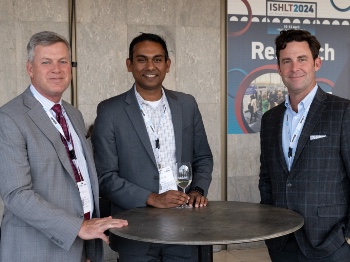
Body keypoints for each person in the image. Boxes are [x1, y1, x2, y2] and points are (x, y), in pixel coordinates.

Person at [0, 31, 128, 262]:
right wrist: (78, 227)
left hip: (80, 247)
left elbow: (81, 180)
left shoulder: (73, 114)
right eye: (46, 62)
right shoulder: (9, 118)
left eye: (63, 62)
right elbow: (16, 194)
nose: (56, 70)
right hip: (36, 250)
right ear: (30, 69)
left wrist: (87, 245)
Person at [92, 32, 213, 262]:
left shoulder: (187, 105)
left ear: (168, 65)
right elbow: (104, 177)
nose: (150, 66)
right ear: (129, 64)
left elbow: (203, 157)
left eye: (157, 59)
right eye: (141, 59)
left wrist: (197, 190)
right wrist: (152, 198)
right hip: (134, 229)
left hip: (184, 227)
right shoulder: (110, 111)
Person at [259, 29, 350, 261]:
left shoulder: (343, 111)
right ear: (279, 68)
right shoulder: (270, 119)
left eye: (302, 59)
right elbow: (267, 178)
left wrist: (346, 236)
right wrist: (269, 229)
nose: (294, 68)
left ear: (316, 63)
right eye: (286, 61)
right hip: (282, 243)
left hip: (330, 243)